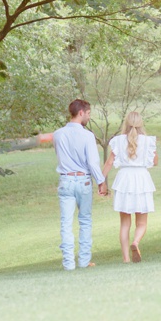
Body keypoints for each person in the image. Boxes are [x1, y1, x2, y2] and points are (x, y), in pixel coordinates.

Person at [53, 99, 108, 269]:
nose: (89, 117)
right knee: (84, 220)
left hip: (66, 180)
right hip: (83, 181)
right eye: (89, 113)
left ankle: (68, 263)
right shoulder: (87, 135)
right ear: (81, 112)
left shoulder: (58, 134)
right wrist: (101, 181)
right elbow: (92, 162)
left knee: (66, 223)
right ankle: (84, 261)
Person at [103, 110, 158, 263]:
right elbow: (154, 162)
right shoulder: (148, 141)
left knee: (125, 223)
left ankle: (126, 258)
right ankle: (136, 242)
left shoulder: (118, 141)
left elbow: (109, 163)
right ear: (141, 123)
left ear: (125, 123)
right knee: (141, 222)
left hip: (124, 180)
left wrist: (102, 182)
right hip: (141, 179)